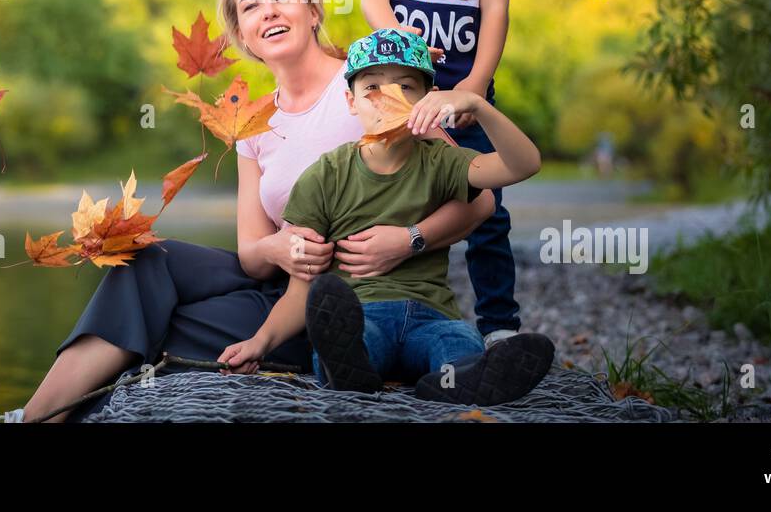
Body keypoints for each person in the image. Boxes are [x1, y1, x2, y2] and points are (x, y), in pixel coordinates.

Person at [0, 0, 494, 421]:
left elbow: (480, 198)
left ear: (313, 10)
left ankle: (45, 414)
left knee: (155, 326)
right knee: (147, 262)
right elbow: (250, 253)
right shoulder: (252, 123)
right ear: (243, 35)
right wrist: (279, 245)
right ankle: (36, 416)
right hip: (282, 286)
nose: (269, 12)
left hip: (351, 302)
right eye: (250, 6)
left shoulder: (367, 84)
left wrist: (408, 240)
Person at [217, 28, 554, 405]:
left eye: (406, 87)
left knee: (457, 342)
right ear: (350, 101)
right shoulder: (324, 177)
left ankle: (455, 382)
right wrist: (259, 342)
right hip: (362, 316)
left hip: (431, 315)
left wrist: (477, 105)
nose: (388, 99)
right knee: (352, 340)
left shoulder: (441, 161)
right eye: (372, 88)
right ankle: (350, 372)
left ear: (428, 100)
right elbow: (301, 290)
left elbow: (524, 164)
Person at [357, 0, 525, 347]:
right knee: (394, 194)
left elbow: (496, 13)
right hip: (400, 90)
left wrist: (473, 88)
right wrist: (399, 34)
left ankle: (499, 326)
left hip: (461, 90)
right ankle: (382, 315)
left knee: (485, 209)